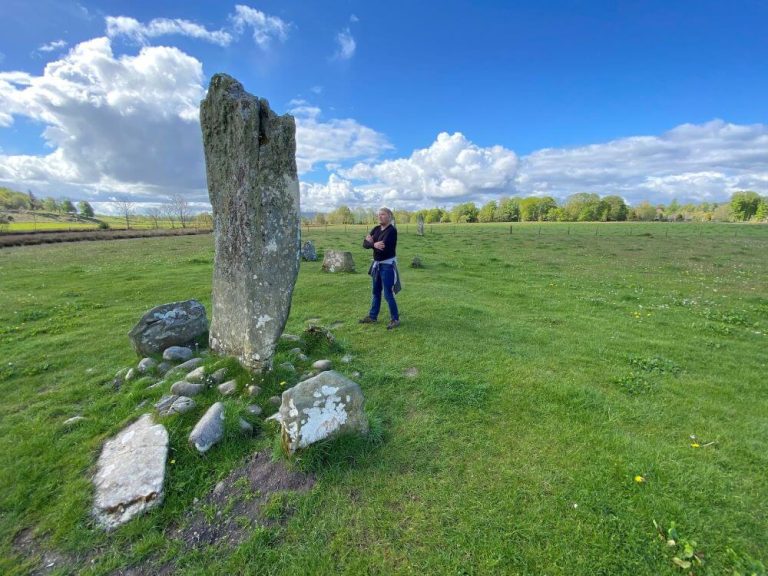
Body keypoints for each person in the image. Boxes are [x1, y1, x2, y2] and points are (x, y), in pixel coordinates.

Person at [360, 207, 401, 329]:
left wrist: (371, 243)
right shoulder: (376, 229)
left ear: (389, 216)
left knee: (388, 294)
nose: (379, 216)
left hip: (387, 266)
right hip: (377, 265)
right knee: (376, 292)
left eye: (382, 214)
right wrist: (373, 244)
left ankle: (395, 319)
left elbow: (383, 248)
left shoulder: (391, 231)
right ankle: (372, 317)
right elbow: (364, 244)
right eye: (378, 214)